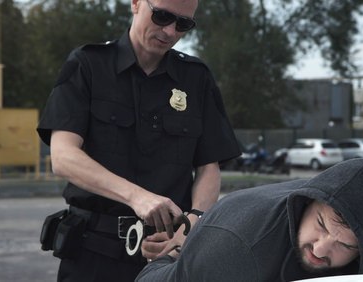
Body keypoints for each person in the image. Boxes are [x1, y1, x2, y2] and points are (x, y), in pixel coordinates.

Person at [36, 0, 240, 281]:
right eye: (162, 16)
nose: (169, 31)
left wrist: (189, 228)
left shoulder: (195, 78)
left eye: (183, 24)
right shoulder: (89, 64)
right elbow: (63, 157)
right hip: (93, 253)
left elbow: (209, 167)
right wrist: (138, 197)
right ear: (135, 3)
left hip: (167, 255)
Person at [135, 158, 363, 282]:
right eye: (321, 225)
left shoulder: (329, 210)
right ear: (307, 202)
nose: (321, 249)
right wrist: (174, 253)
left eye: (345, 246)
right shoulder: (237, 249)